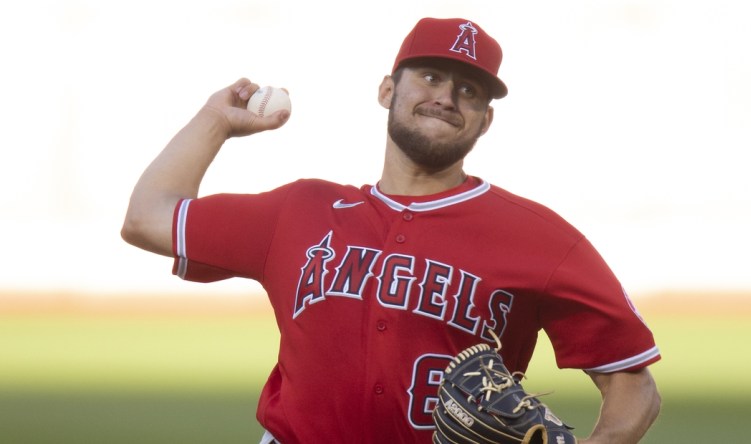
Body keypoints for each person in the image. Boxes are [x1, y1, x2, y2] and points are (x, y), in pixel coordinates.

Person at [122, 17, 661, 444]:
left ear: (486, 120)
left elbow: (632, 382)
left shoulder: (542, 239)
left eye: (470, 91)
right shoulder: (300, 210)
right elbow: (147, 218)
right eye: (431, 77)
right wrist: (215, 121)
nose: (448, 98)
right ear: (387, 90)